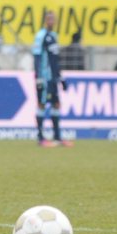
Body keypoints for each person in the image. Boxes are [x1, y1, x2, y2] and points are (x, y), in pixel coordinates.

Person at [33, 10, 72, 148]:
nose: (51, 21)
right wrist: (38, 77)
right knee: (42, 104)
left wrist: (61, 78)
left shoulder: (54, 36)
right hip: (44, 77)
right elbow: (37, 57)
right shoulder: (40, 36)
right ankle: (40, 138)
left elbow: (55, 60)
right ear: (45, 21)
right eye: (49, 19)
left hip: (53, 78)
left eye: (53, 19)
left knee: (56, 104)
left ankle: (57, 137)